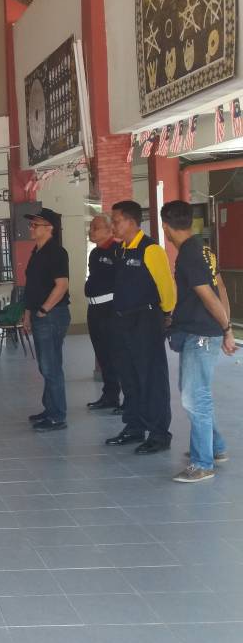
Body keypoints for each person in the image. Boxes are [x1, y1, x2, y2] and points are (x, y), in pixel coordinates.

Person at [161, 200, 237, 482]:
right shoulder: (204, 249)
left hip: (201, 334)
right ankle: (215, 447)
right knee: (194, 392)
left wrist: (226, 329)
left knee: (195, 397)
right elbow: (221, 287)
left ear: (165, 226)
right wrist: (225, 325)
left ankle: (202, 464)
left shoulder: (189, 255)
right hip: (204, 330)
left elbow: (207, 294)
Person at [106, 200, 177, 455]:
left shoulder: (151, 249)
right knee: (130, 377)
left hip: (145, 321)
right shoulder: (121, 250)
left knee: (151, 378)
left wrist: (166, 314)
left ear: (131, 221)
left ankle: (159, 434)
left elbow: (167, 288)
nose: (113, 226)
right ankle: (135, 426)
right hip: (122, 321)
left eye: (116, 221)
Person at [22, 208, 71, 433]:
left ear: (50, 228)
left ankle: (57, 416)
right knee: (46, 365)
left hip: (52, 316)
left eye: (36, 225)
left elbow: (61, 285)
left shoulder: (56, 252)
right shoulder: (37, 252)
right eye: (31, 225)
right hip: (40, 314)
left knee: (51, 367)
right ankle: (49, 408)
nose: (31, 228)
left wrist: (43, 309)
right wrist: (28, 313)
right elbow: (32, 287)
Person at [85, 214, 121, 412]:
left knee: (116, 355)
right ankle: (110, 395)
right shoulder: (94, 253)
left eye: (95, 227)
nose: (90, 231)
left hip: (111, 309)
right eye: (90, 227)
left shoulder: (117, 250)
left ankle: (129, 399)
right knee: (102, 354)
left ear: (109, 230)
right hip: (94, 309)